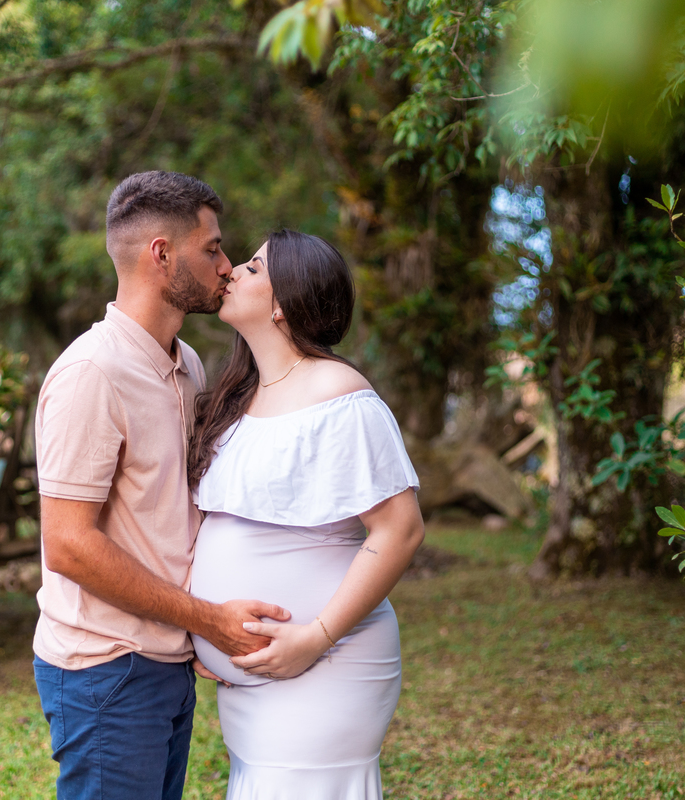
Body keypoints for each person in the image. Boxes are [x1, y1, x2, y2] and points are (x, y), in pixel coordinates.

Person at [32, 171, 290, 800]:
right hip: (106, 670)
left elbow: (170, 517)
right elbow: (68, 545)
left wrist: (193, 634)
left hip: (165, 657)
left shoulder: (187, 364)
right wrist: (207, 619)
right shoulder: (91, 373)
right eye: (213, 248)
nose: (226, 266)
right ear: (161, 254)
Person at [187, 229, 426, 799]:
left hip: (327, 663)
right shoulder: (237, 398)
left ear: (283, 303)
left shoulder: (339, 392)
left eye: (253, 267)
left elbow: (400, 529)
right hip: (252, 679)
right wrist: (205, 630)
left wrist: (315, 638)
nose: (231, 270)